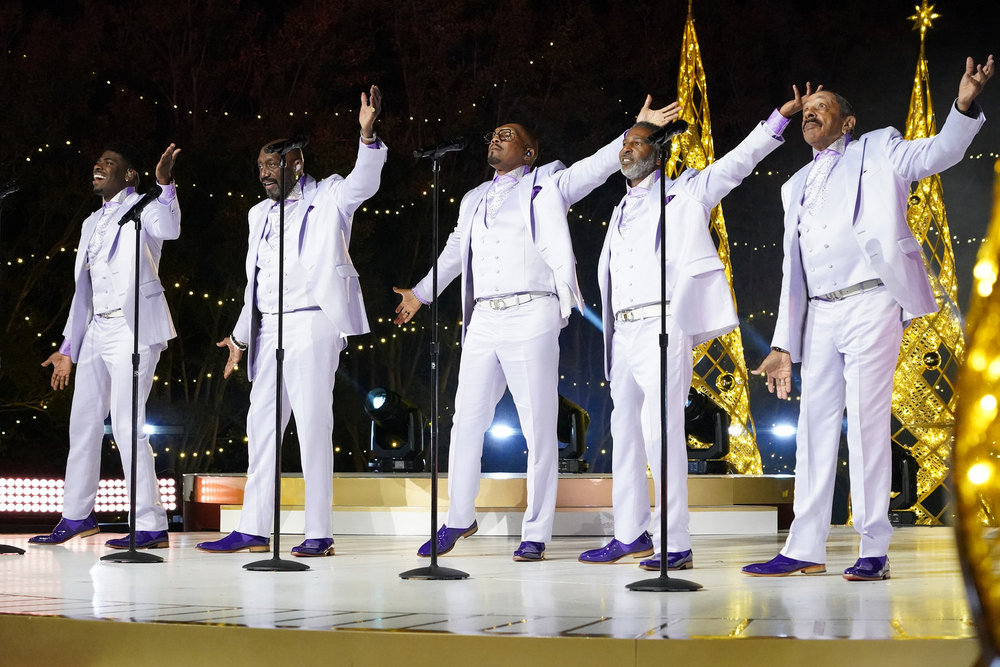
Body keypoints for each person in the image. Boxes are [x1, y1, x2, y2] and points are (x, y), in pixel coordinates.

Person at [393, 98, 677, 561]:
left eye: (507, 135)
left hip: (532, 311)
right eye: (493, 135)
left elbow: (596, 167)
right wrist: (421, 294)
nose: (496, 139)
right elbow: (454, 251)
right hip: (484, 317)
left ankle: (536, 532)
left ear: (529, 152)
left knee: (538, 427)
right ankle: (459, 517)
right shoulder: (472, 198)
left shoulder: (549, 182)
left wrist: (635, 127)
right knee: (466, 420)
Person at [744, 56, 993, 581]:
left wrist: (963, 105)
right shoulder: (794, 186)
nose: (810, 113)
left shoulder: (879, 148)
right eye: (806, 109)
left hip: (872, 300)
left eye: (821, 106)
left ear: (847, 121)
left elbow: (939, 152)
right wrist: (784, 343)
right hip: (820, 313)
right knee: (813, 428)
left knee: (864, 423)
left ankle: (873, 546)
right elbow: (793, 272)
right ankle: (804, 547)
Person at [573, 94, 798, 570]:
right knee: (625, 433)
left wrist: (776, 122)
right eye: (625, 143)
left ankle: (675, 541)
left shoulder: (687, 191)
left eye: (637, 142)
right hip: (623, 330)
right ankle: (631, 534)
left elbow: (737, 164)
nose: (627, 148)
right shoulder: (619, 207)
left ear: (658, 154)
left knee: (661, 432)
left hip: (663, 323)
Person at [197, 86, 386, 557]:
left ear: (296, 164)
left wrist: (366, 137)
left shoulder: (329, 195)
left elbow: (364, 184)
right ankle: (253, 529)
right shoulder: (257, 214)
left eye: (272, 164)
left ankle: (318, 532)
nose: (264, 173)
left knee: (313, 426)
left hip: (313, 323)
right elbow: (255, 284)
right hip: (269, 329)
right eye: (259, 166)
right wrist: (240, 337)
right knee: (261, 426)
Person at [32, 142, 182, 549]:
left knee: (128, 425)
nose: (99, 166)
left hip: (134, 328)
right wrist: (69, 347)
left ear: (129, 175)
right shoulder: (89, 223)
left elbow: (170, 229)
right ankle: (77, 516)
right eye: (98, 161)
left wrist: (165, 184)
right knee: (82, 423)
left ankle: (150, 523)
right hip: (97, 329)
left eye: (109, 163)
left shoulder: (145, 206)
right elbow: (83, 291)